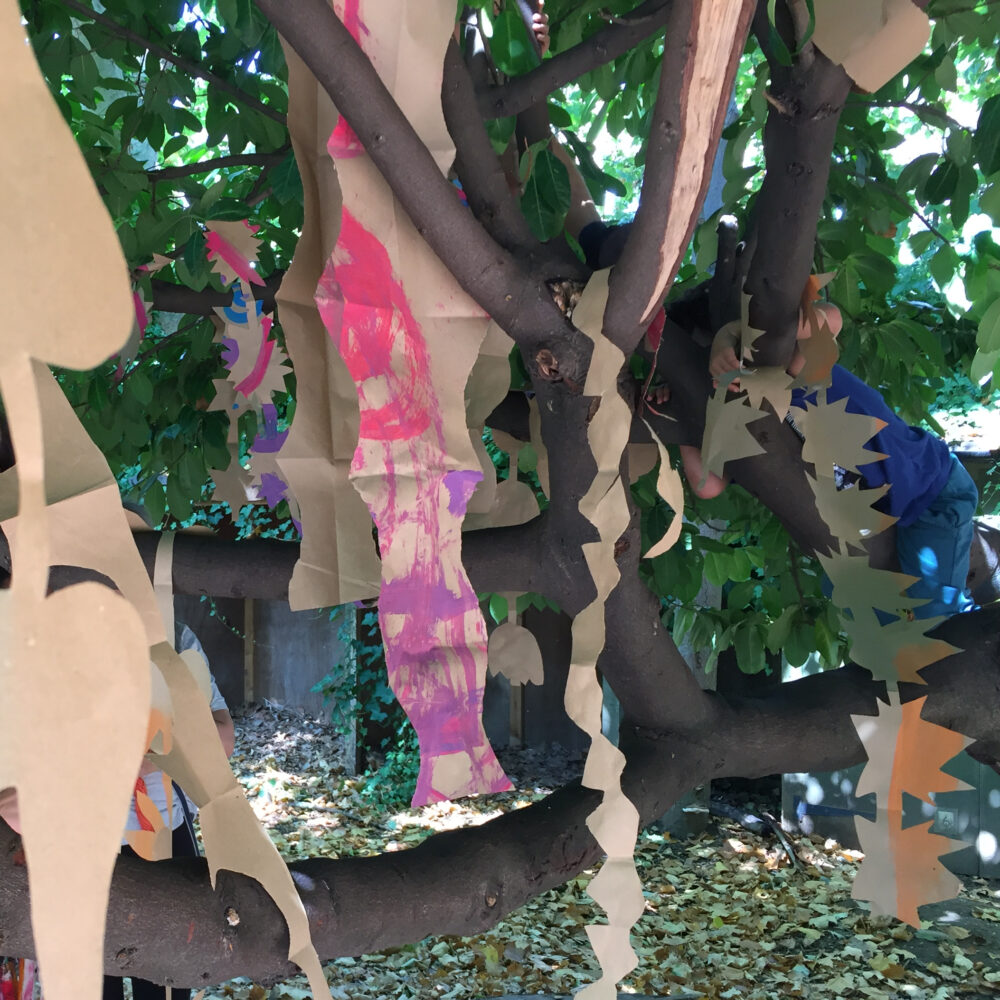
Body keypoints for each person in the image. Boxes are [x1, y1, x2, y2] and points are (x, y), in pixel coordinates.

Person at [665, 284, 979, 621]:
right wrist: (683, 411)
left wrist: (726, 340)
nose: (714, 374)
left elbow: (830, 319)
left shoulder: (793, 366)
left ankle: (971, 623)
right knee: (862, 609)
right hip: (878, 522)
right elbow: (707, 484)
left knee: (935, 614)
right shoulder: (737, 425)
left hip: (931, 492)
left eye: (709, 357)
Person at [103, 622, 234, 1000]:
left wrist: (161, 744)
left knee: (165, 981)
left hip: (168, 834)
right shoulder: (62, 623)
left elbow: (223, 738)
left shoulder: (175, 634)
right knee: (96, 982)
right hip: (88, 840)